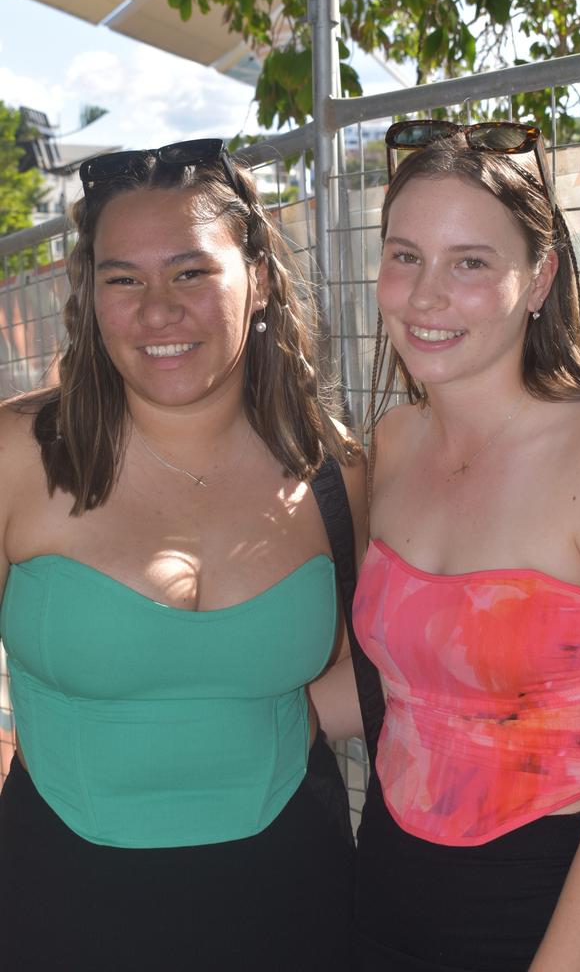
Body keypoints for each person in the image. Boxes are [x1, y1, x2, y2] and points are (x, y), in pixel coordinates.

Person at [0, 138, 365, 971]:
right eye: (123, 278)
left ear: (259, 278)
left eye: (191, 272)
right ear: (90, 296)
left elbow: (347, 665)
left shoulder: (334, 472)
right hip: (58, 903)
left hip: (294, 898)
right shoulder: (18, 455)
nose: (157, 310)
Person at [351, 121, 580, 970]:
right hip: (386, 892)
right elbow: (410, 677)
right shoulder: (395, 443)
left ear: (540, 277)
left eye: (470, 262)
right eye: (405, 256)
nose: (424, 296)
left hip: (552, 910)